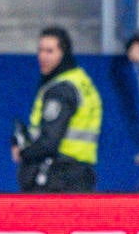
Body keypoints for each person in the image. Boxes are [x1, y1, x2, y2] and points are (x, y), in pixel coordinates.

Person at [13, 26, 102, 193]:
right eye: (40, 50)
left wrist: (23, 152)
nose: (42, 57)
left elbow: (49, 142)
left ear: (63, 53)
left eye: (50, 51)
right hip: (81, 175)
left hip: (59, 178)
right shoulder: (82, 81)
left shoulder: (60, 90)